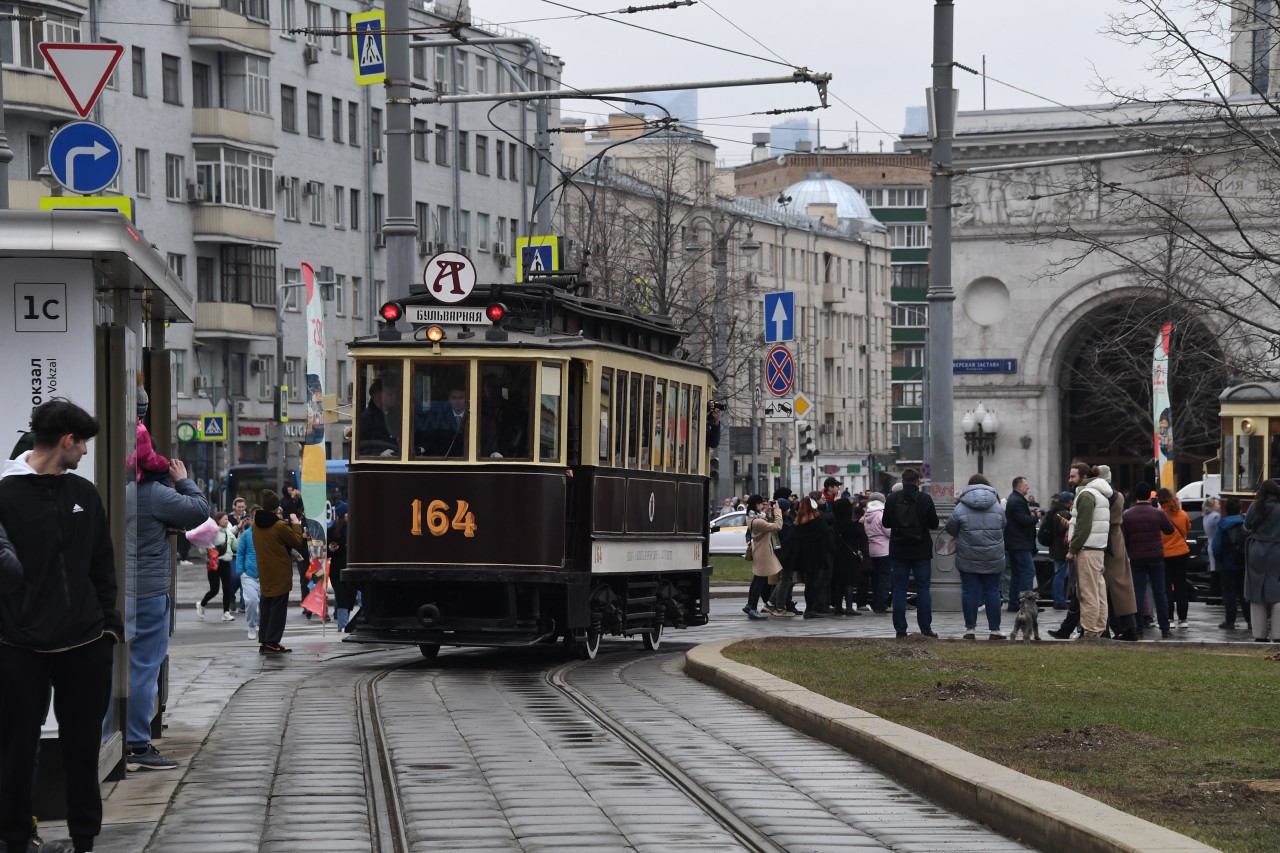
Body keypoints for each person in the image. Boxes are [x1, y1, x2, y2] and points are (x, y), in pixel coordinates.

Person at [0, 400, 123, 853]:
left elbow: (101, 566)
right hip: (19, 648)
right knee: (14, 751)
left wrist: (108, 628)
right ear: (67, 441)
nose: (86, 452)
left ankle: (84, 840)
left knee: (81, 749)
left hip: (85, 645)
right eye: (83, 442)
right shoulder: (5, 495)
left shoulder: (84, 495)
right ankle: (15, 839)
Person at [130, 424, 210, 769]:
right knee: (144, 667)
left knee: (116, 667)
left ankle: (110, 736)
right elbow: (199, 509)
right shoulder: (153, 493)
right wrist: (183, 478)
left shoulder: (117, 488)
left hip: (117, 590)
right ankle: (136, 743)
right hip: (148, 592)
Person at [945, 474, 1006, 640]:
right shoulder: (997, 506)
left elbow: (950, 528)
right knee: (992, 592)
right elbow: (1003, 524)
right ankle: (995, 630)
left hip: (968, 556)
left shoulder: (960, 507)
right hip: (994, 556)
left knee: (970, 592)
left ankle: (970, 629)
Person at [881, 468, 940, 638]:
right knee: (923, 589)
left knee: (899, 589)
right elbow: (934, 523)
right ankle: (925, 629)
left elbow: (885, 523)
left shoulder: (892, 499)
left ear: (902, 480)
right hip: (920, 549)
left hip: (899, 549)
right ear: (918, 481)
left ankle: (900, 630)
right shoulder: (925, 498)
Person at [254, 490, 306, 654]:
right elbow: (297, 542)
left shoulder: (255, 525)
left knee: (266, 605)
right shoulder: (279, 526)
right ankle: (273, 641)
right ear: (276, 507)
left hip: (265, 571)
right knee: (278, 608)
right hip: (280, 572)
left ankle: (264, 639)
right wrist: (296, 524)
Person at [1120, 483, 1174, 639]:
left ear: (1135, 495)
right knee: (1160, 592)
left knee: (1138, 591)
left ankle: (1138, 628)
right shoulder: (1158, 514)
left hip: (1136, 557)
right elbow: (1169, 530)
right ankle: (1165, 628)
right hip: (1156, 556)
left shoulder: (1127, 515)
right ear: (1150, 497)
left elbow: (1124, 538)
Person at [1065, 461, 1112, 640]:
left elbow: (1083, 526)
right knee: (1098, 591)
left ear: (1084, 477)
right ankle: (1098, 628)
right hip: (1098, 548)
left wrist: (1072, 549)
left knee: (1087, 593)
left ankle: (1090, 631)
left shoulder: (1085, 495)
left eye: (1073, 476)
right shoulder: (1100, 493)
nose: (1070, 480)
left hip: (1087, 549)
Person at [1095, 465, 1139, 641]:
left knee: (1100, 587)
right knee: (1122, 586)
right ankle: (1130, 627)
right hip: (1116, 539)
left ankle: (1103, 627)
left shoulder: (1097, 496)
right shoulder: (1119, 496)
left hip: (1102, 541)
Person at [1244, 479, 1280, 642]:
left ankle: (1259, 634)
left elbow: (1247, 526)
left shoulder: (1254, 506)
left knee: (1256, 592)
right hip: (1277, 551)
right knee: (1277, 592)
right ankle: (1278, 634)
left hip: (1256, 551)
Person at [793, 492, 835, 619]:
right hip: (818, 556)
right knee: (816, 583)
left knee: (809, 584)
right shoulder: (818, 520)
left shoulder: (799, 521)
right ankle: (812, 608)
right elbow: (827, 536)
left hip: (804, 557)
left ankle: (810, 608)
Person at [1211, 496, 1250, 631]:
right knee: (1245, 594)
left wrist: (1221, 559)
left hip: (1228, 564)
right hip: (1244, 564)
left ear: (1226, 510)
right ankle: (1250, 621)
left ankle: (1230, 621)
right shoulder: (1245, 523)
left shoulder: (1222, 525)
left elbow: (1216, 547)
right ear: (1240, 509)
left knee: (1230, 595)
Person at [740, 495, 782, 620]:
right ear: (755, 505)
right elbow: (777, 526)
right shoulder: (758, 522)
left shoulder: (753, 517)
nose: (762, 506)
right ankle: (753, 608)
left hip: (760, 551)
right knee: (759, 581)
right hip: (763, 553)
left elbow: (765, 519)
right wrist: (777, 511)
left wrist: (768, 511)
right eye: (760, 504)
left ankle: (750, 605)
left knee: (757, 580)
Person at [1158, 487, 1192, 629]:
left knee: (1166, 587)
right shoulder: (1182, 514)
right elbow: (1188, 528)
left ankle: (1170, 618)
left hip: (1165, 554)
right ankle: (1183, 619)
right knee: (1181, 586)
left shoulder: (1159, 515)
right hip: (1181, 553)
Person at [1004, 476, 1039, 611]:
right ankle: (1028, 605)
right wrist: (1035, 517)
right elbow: (1023, 520)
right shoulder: (1017, 501)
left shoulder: (1013, 499)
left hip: (1014, 543)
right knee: (1028, 572)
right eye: (1026, 485)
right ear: (1019, 487)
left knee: (1017, 574)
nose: (1028, 487)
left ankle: (1013, 603)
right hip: (1020, 543)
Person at [197, 511, 237, 622]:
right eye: (225, 519)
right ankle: (202, 604)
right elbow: (201, 549)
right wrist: (209, 547)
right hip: (214, 564)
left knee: (227, 588)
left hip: (226, 563)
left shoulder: (229, 533)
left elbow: (235, 547)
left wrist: (241, 533)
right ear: (218, 520)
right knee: (214, 590)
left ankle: (226, 613)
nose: (227, 521)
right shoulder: (211, 533)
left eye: (227, 519)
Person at [830, 497, 865, 615]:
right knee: (849, 581)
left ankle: (838, 606)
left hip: (837, 554)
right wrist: (860, 524)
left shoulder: (834, 522)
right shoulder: (848, 522)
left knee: (839, 581)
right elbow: (857, 534)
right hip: (849, 554)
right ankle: (849, 607)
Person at [235, 505, 262, 641]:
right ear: (251, 519)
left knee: (265, 603)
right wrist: (240, 570)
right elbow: (240, 552)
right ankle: (252, 625)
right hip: (248, 574)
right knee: (252, 600)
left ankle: (261, 625)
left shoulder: (268, 532)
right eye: (254, 517)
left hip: (265, 574)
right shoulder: (246, 534)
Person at [329, 501, 357, 631]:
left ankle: (346, 624)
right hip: (337, 571)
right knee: (342, 597)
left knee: (351, 597)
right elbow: (326, 550)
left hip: (351, 570)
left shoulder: (354, 530)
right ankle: (343, 626)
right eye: (347, 514)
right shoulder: (333, 531)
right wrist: (330, 549)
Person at [861, 491, 890, 613]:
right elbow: (888, 531)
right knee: (884, 578)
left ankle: (876, 603)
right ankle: (881, 605)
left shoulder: (867, 515)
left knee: (876, 578)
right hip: (884, 549)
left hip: (872, 549)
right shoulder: (880, 515)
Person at [357, 377, 400, 455]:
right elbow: (360, 450)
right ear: (379, 398)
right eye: (390, 394)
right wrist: (379, 454)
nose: (394, 396)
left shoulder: (395, 415)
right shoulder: (365, 419)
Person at [1046, 492, 1073, 609]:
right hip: (1061, 548)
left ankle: (1058, 599)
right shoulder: (1064, 514)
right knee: (1060, 575)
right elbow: (1063, 531)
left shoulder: (1054, 511)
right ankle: (1059, 600)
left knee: (1059, 574)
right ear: (1068, 502)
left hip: (1055, 548)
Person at [1201, 496, 1221, 575]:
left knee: (1213, 569)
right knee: (1217, 570)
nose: (1219, 505)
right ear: (1212, 506)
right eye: (1217, 503)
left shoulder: (1206, 516)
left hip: (1210, 544)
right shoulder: (1216, 516)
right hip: (1216, 545)